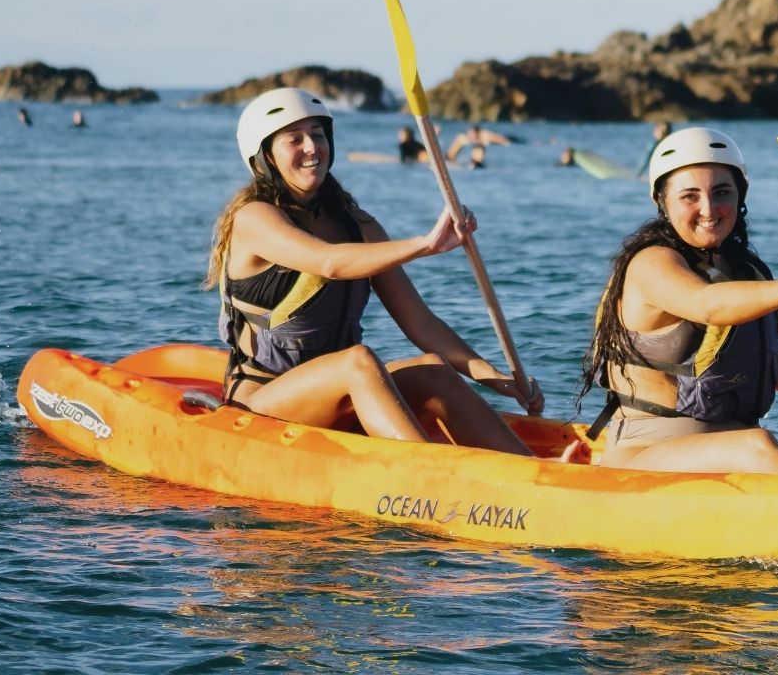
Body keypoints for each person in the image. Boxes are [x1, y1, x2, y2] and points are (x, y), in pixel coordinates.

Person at [205, 88, 535, 455]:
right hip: (263, 401)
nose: (312, 147)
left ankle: (533, 470)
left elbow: (421, 324)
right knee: (357, 361)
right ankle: (430, 478)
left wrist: (495, 378)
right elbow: (328, 262)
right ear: (265, 155)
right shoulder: (253, 218)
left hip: (340, 393)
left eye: (317, 134)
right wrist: (426, 244)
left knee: (432, 369)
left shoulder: (358, 225)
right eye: (294, 140)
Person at [579, 127, 778, 475]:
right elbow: (706, 303)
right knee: (757, 446)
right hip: (646, 454)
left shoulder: (738, 268)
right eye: (690, 196)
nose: (708, 209)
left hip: (731, 443)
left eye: (722, 193)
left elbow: (763, 360)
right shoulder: (651, 263)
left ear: (740, 197)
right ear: (662, 201)